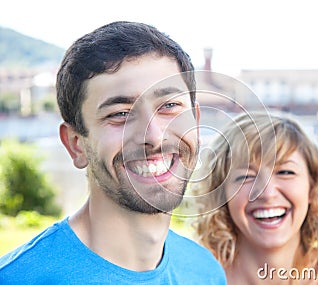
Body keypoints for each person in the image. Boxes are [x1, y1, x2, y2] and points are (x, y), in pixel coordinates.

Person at [0, 21, 226, 284]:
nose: (153, 136)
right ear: (75, 144)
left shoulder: (205, 272)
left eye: (169, 106)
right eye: (120, 114)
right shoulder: (19, 278)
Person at [194, 111, 318, 284]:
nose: (267, 193)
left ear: (313, 188)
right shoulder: (192, 278)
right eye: (246, 176)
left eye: (285, 172)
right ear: (221, 195)